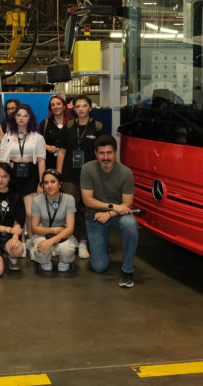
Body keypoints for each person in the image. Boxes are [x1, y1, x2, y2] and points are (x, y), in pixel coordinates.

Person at [80, 134, 138, 288]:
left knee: (131, 224)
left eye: (109, 153)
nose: (106, 157)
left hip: (118, 215)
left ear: (115, 153)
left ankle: (127, 270)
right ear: (95, 154)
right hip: (95, 216)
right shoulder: (87, 169)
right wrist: (113, 206)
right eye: (101, 153)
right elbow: (88, 201)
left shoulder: (126, 173)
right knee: (99, 267)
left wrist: (110, 213)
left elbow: (128, 204)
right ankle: (102, 248)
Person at [55, 95, 106, 260]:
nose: (81, 109)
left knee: (87, 209)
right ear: (74, 109)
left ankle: (83, 242)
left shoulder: (97, 127)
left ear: (90, 108)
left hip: (91, 176)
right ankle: (66, 239)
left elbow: (103, 153)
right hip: (70, 175)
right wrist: (58, 175)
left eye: (84, 106)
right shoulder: (69, 126)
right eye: (77, 106)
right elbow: (62, 152)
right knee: (68, 208)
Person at [0, 104, 46, 242]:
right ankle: (21, 243)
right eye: (18, 115)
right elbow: (2, 159)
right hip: (12, 175)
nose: (21, 118)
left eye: (25, 115)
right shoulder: (8, 136)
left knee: (30, 213)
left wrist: (41, 182)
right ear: (14, 117)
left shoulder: (37, 137)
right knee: (15, 212)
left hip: (31, 175)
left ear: (30, 118)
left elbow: (41, 161)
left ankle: (32, 241)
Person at [29, 169, 77, 272]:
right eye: (46, 183)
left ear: (60, 184)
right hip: (43, 233)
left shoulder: (69, 199)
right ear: (43, 185)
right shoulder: (37, 200)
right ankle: (43, 259)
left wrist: (50, 241)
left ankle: (65, 261)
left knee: (67, 250)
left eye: (53, 182)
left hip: (63, 233)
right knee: (42, 251)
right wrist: (54, 230)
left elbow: (70, 229)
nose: (49, 186)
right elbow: (34, 228)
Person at [39, 94, 71, 170]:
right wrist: (47, 146)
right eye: (52, 105)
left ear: (64, 106)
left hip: (69, 163)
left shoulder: (72, 123)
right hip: (49, 163)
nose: (55, 107)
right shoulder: (45, 123)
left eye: (58, 104)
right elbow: (36, 141)